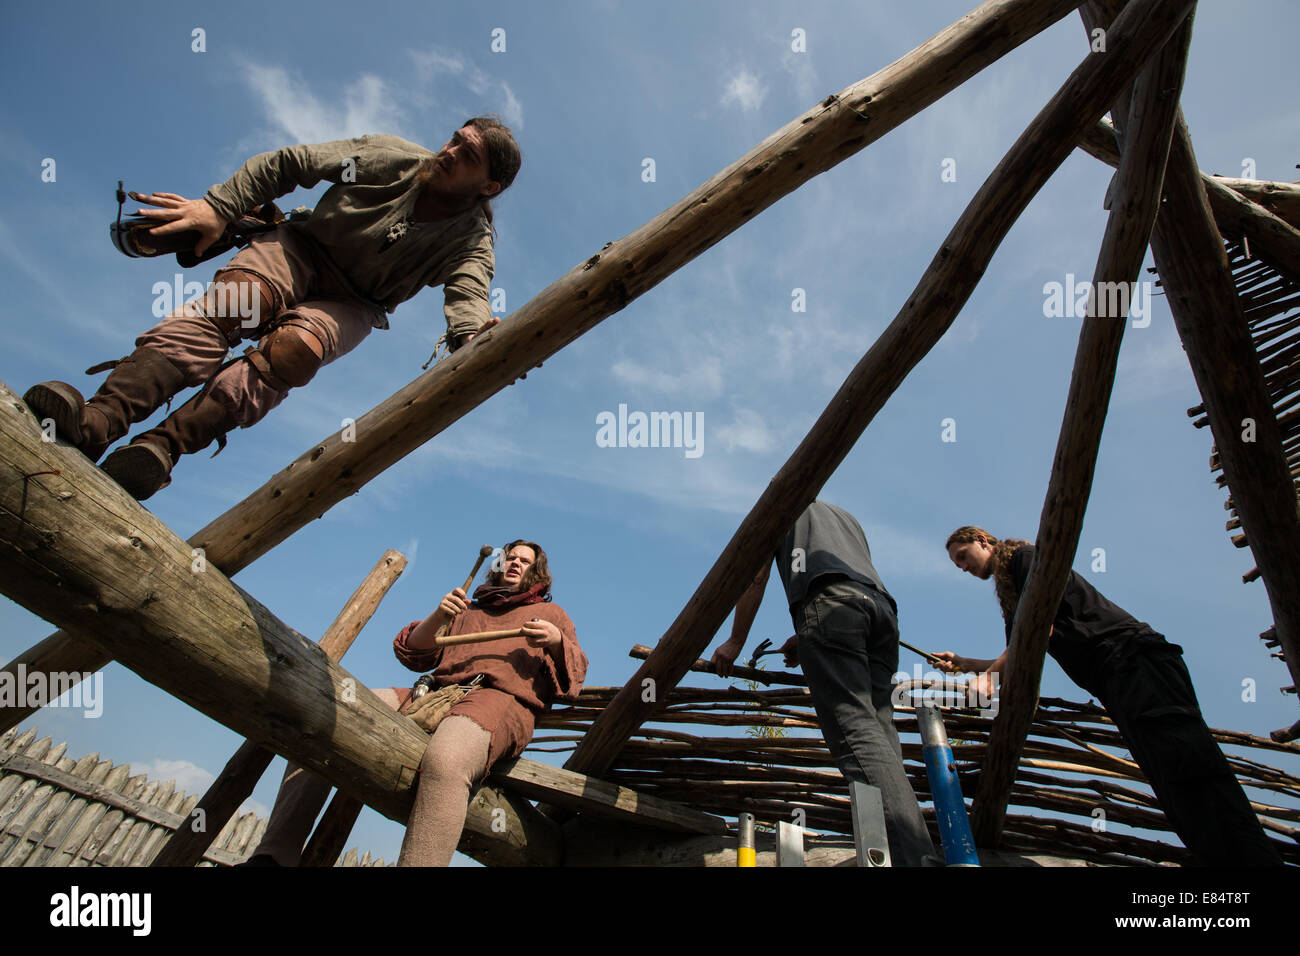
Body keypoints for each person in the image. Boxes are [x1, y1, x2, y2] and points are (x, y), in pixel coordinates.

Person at [24, 118, 520, 499]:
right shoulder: (389, 157)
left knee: (295, 350)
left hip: (352, 301)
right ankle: (100, 418)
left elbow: (470, 293)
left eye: (467, 153)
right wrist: (218, 207)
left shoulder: (472, 241)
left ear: (489, 186)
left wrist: (472, 340)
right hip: (299, 248)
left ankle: (161, 448)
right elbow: (291, 162)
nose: (449, 150)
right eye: (454, 138)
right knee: (240, 302)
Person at [938, 526, 1282, 866]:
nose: (963, 568)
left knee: (1191, 765)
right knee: (1171, 783)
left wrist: (989, 678)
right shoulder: (1013, 593)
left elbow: (1041, 625)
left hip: (1135, 662)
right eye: (958, 565)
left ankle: (1254, 858)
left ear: (982, 540)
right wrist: (967, 664)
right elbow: (1018, 651)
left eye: (963, 557)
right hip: (1116, 679)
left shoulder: (1026, 560)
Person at [243, 539, 586, 867]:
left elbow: (574, 677)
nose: (516, 563)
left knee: (446, 760)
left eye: (525, 561)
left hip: (499, 702)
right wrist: (439, 615)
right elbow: (414, 653)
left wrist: (556, 642)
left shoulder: (551, 614)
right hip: (435, 693)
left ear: (536, 573)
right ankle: (275, 856)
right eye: (511, 557)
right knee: (334, 712)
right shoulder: (468, 609)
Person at [711, 500, 938, 867]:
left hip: (830, 604)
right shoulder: (846, 518)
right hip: (880, 613)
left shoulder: (781, 503)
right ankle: (914, 849)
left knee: (856, 732)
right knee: (879, 732)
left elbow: (755, 575)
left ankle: (911, 858)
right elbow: (843, 579)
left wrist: (736, 640)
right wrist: (807, 635)